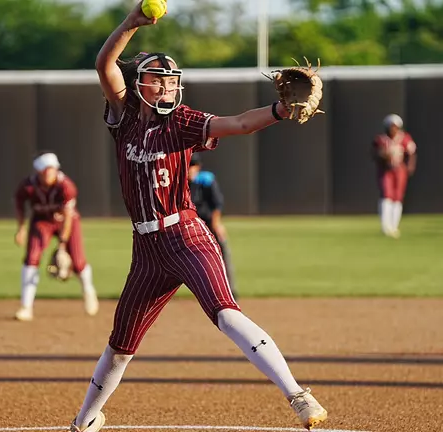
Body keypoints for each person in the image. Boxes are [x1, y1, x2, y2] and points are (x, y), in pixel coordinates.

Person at [68, 2, 328, 431]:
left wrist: (279, 111)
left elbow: (240, 123)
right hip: (146, 248)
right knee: (121, 345)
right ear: (139, 86)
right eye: (157, 80)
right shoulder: (125, 117)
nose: (166, 88)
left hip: (186, 233)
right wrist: (132, 22)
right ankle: (85, 421)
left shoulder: (184, 122)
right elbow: (104, 63)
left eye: (171, 81)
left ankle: (299, 397)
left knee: (224, 313)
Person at [13, 151, 99, 321]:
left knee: (78, 261)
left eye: (51, 170)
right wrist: (21, 228)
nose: (48, 173)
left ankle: (88, 291)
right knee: (31, 258)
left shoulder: (66, 186)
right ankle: (26, 306)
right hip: (42, 222)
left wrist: (62, 245)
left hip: (66, 222)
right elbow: (19, 204)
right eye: (45, 170)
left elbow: (68, 217)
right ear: (38, 172)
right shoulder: (28, 186)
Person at [188, 154, 238, 300]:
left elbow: (217, 204)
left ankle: (230, 292)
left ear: (198, 167)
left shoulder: (206, 180)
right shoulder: (179, 181)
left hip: (209, 223)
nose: (191, 169)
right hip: (190, 226)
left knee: (223, 254)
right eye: (189, 165)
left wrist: (217, 224)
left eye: (193, 165)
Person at [372, 114, 418, 238]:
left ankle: (394, 226)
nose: (393, 129)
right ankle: (385, 226)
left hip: (399, 169)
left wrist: (410, 166)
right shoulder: (381, 139)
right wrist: (383, 156)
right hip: (386, 170)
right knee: (387, 194)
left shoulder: (404, 138)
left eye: (395, 127)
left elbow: (411, 152)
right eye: (391, 126)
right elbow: (375, 153)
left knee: (398, 196)